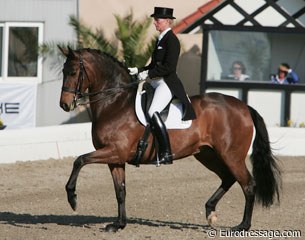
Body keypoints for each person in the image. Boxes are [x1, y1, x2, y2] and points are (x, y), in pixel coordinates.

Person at [128, 7, 196, 165]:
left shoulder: (172, 40)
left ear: (167, 21)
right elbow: (153, 64)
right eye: (155, 19)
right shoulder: (160, 39)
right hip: (155, 81)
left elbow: (169, 67)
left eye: (157, 20)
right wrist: (139, 70)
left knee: (153, 111)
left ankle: (165, 152)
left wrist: (148, 74)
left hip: (166, 82)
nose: (154, 22)